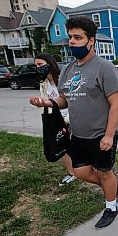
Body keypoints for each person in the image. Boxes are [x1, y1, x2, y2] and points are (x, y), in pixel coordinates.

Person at [29, 16, 118, 229]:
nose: (72, 41)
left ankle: (110, 206)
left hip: (101, 133)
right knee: (80, 172)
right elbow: (65, 99)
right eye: (70, 37)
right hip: (78, 134)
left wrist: (109, 134)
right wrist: (47, 102)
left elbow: (116, 104)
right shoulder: (68, 70)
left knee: (104, 171)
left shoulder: (105, 68)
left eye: (78, 37)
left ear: (91, 41)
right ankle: (113, 186)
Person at [35, 53, 76, 186]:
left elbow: (73, 100)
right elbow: (47, 101)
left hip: (72, 117)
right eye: (36, 65)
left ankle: (86, 168)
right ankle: (72, 173)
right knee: (62, 145)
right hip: (57, 118)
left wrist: (68, 119)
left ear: (49, 63)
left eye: (40, 64)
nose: (38, 68)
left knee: (78, 145)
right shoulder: (44, 83)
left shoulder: (63, 79)